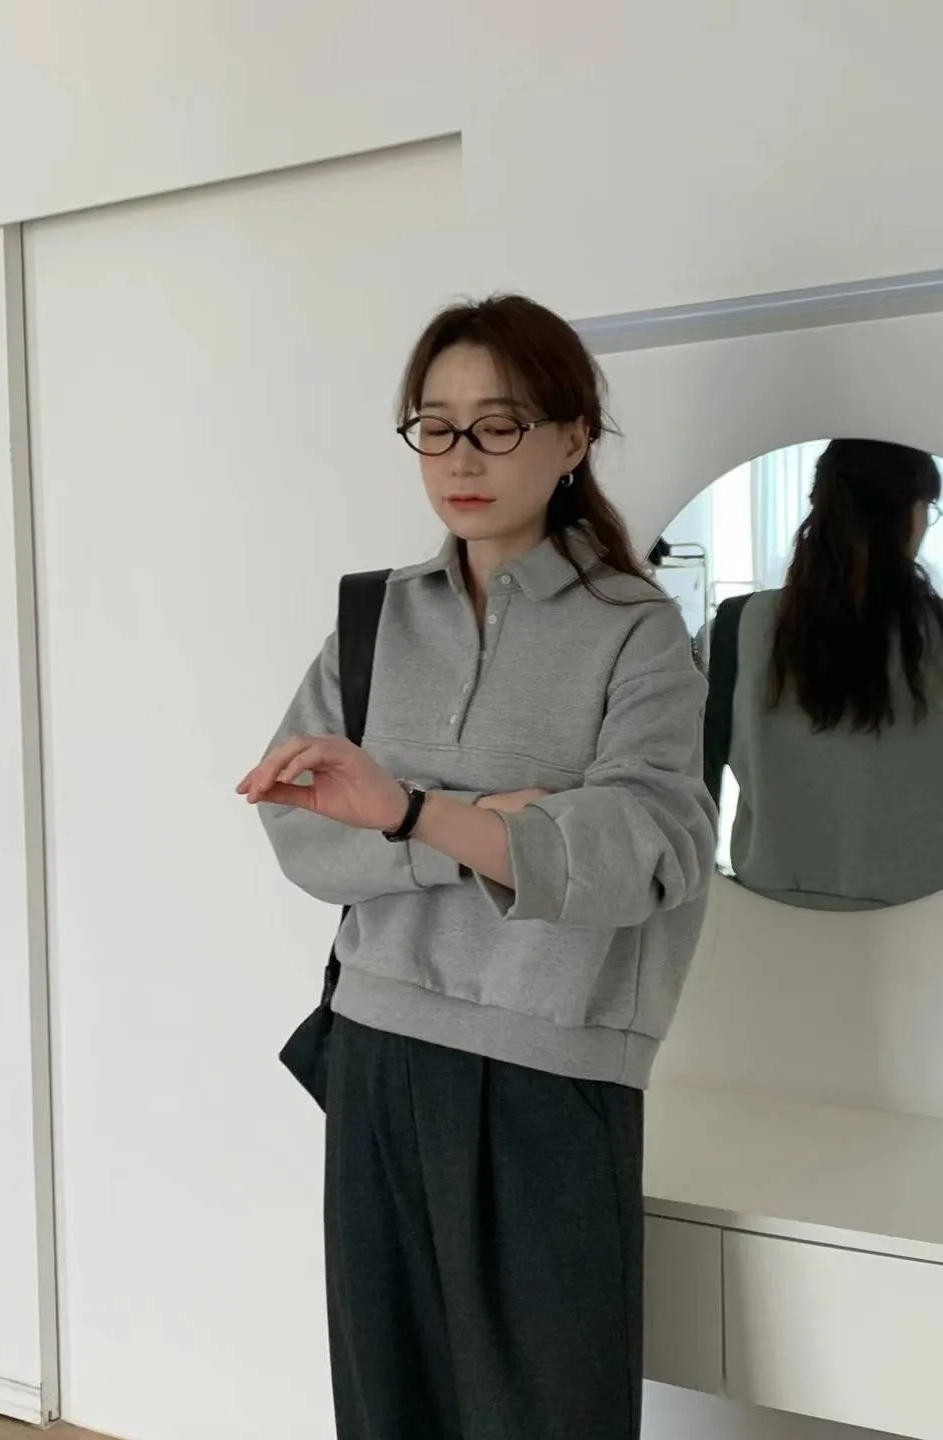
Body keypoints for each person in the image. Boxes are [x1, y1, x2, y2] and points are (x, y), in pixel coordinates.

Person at [236, 294, 717, 1440]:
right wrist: (469, 831)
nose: (462, 457)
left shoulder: (634, 629)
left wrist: (413, 813)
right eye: (437, 426)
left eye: (498, 425)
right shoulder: (374, 619)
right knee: (387, 1407)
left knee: (546, 1415)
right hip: (377, 1056)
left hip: (550, 1073)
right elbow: (302, 826)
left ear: (572, 436)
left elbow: (657, 846)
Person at [704, 438, 943, 910]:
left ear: (820, 506)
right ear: (912, 512)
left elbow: (690, 774)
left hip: (764, 915)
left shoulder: (738, 627)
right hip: (916, 920)